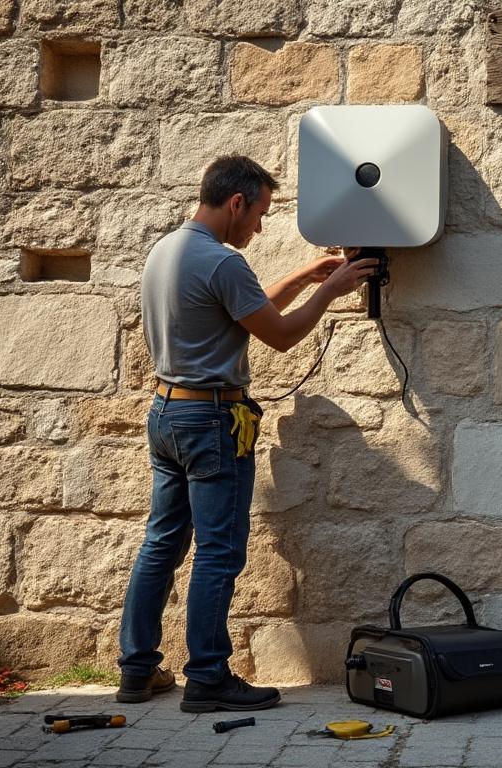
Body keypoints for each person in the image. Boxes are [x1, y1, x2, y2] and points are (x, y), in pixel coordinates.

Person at [116, 155, 377, 712]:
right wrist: (330, 291)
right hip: (211, 421)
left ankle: (136, 671)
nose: (258, 226)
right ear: (236, 203)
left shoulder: (167, 251)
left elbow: (245, 313)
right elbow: (279, 335)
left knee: (161, 545)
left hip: (166, 415)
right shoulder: (222, 263)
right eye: (258, 213)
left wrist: (303, 278)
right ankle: (208, 677)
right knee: (218, 553)